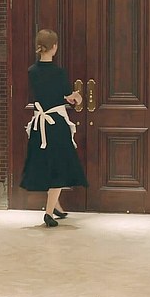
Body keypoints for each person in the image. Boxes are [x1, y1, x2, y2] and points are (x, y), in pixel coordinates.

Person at [20, 29, 88, 227]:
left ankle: (56, 206)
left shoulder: (32, 71)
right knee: (59, 167)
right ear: (54, 47)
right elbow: (68, 96)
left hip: (39, 125)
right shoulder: (59, 73)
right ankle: (48, 213)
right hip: (56, 124)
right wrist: (77, 97)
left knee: (45, 165)